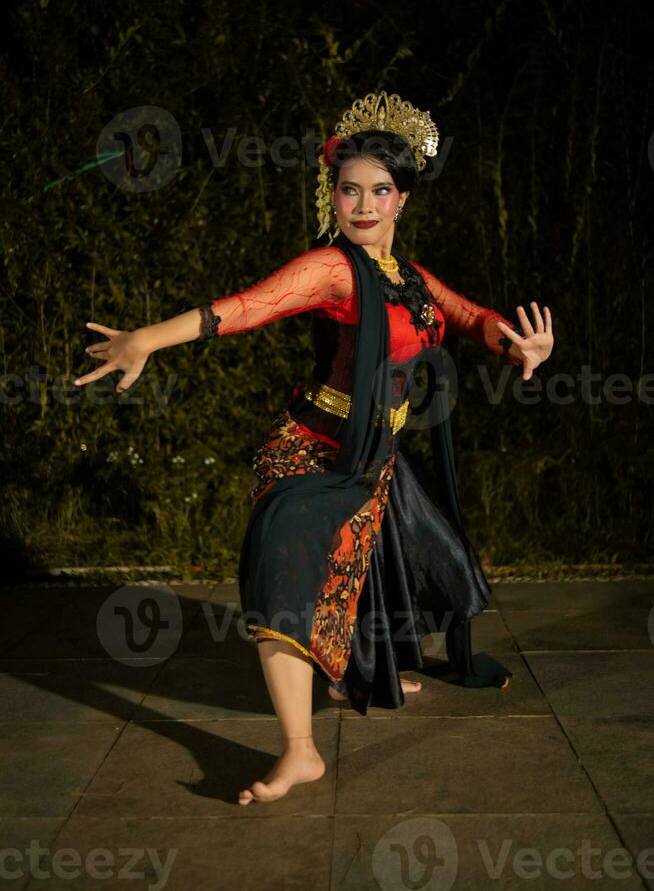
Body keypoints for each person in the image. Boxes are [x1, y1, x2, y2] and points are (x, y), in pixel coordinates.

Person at [75, 90, 554, 807]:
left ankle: (374, 667)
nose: (362, 204)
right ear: (332, 195)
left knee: (379, 567)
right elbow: (244, 308)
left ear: (401, 200)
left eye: (378, 191)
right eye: (348, 189)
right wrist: (145, 338)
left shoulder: (407, 277)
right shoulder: (333, 270)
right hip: (312, 452)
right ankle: (300, 751)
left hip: (372, 456)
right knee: (286, 574)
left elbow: (468, 316)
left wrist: (515, 347)